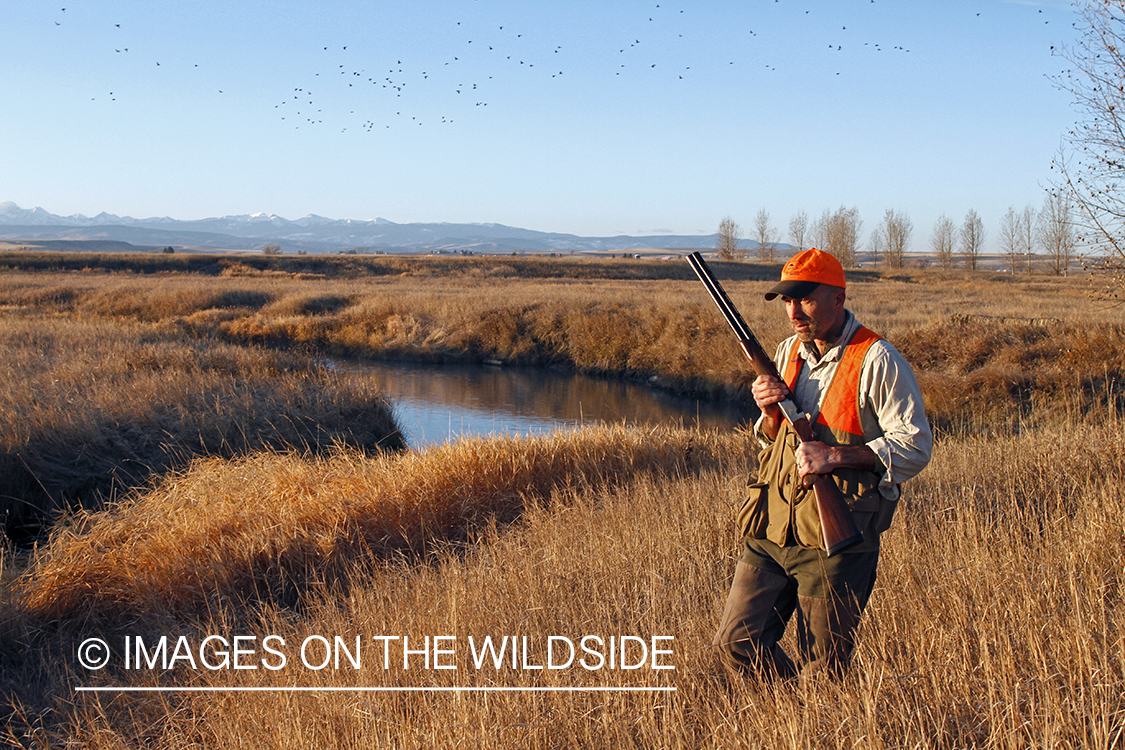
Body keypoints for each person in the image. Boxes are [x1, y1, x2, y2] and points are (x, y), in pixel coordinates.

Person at [713, 247, 932, 678]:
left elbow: (915, 446)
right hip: (773, 526)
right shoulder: (786, 352)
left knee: (826, 670)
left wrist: (835, 456)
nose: (794, 311)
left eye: (805, 298)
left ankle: (811, 726)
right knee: (736, 644)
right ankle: (784, 717)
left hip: (837, 538)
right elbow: (771, 440)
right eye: (788, 301)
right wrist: (771, 414)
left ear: (838, 297)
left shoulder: (877, 358)